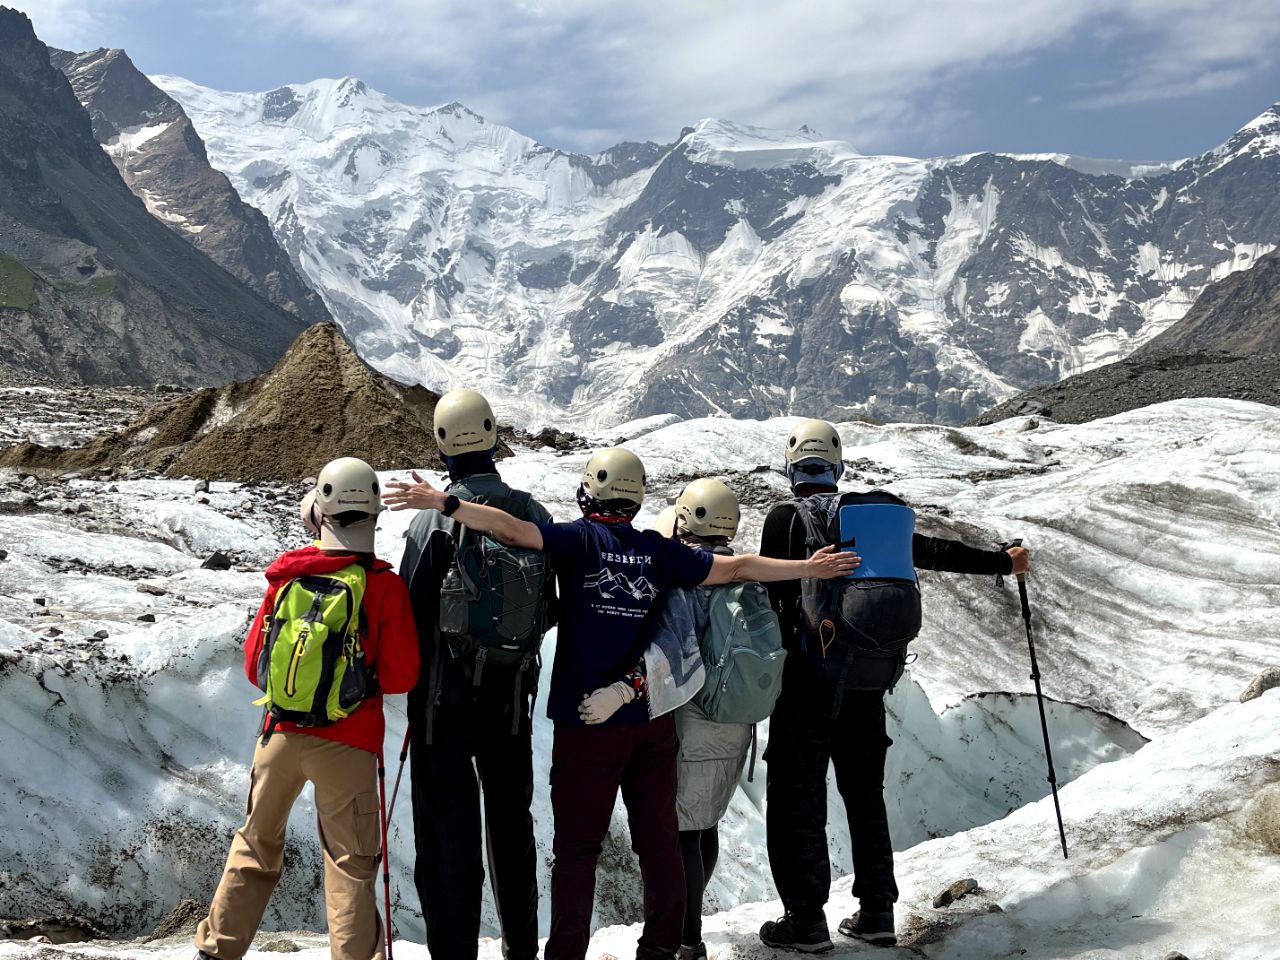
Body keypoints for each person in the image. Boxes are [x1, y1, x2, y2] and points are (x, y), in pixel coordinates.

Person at [385, 448, 858, 960]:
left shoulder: (578, 540)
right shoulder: (659, 551)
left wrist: (446, 503)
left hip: (587, 722)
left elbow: (512, 531)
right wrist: (810, 567)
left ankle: (566, 953)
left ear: (591, 490)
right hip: (651, 722)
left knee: (576, 851)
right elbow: (739, 566)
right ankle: (659, 949)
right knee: (658, 846)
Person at [758, 420, 1031, 952]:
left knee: (799, 798)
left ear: (792, 468)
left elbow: (774, 596)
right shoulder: (875, 523)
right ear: (837, 467)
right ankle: (878, 911)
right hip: (865, 681)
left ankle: (806, 922)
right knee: (864, 795)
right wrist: (1004, 561)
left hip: (806, 686)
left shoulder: (786, 518)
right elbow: (934, 552)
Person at [194, 458, 420, 960]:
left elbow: (256, 665)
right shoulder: (383, 586)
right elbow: (404, 677)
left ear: (321, 511)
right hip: (349, 742)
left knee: (254, 845)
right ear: (375, 512)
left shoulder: (287, 578)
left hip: (278, 735)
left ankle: (216, 952)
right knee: (349, 864)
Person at [397, 389, 552, 960]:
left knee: (448, 829)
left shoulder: (434, 523)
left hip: (444, 701)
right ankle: (521, 946)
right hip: (512, 697)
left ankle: (454, 951)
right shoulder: (532, 514)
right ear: (491, 434)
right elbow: (549, 607)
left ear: (442, 443)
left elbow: (411, 614)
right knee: (511, 822)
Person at [665, 480, 756, 960]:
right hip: (736, 719)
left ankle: (687, 938)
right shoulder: (745, 573)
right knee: (707, 823)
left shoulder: (686, 579)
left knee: (683, 829)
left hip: (693, 717)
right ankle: (688, 932)